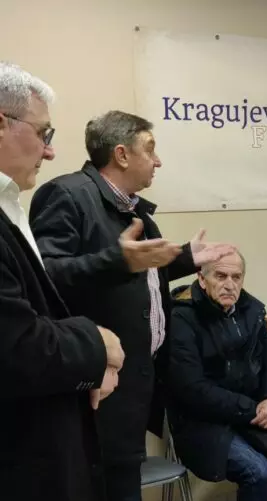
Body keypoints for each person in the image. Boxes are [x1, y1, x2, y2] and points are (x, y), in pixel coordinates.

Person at [29, 110, 235, 501]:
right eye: (150, 150)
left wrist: (185, 259)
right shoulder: (68, 195)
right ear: (122, 154)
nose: (158, 161)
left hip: (132, 386)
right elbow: (45, 275)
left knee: (123, 484)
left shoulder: (135, 210)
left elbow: (138, 276)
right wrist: (119, 260)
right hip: (93, 387)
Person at [0, 62, 125, 501]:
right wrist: (98, 343)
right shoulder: (64, 197)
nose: (50, 152)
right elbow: (16, 345)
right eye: (43, 133)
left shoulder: (10, 205)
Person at [166, 251, 267, 501]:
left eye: (236, 277)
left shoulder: (253, 310)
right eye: (221, 276)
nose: (229, 284)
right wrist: (255, 411)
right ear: (202, 279)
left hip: (254, 415)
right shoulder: (181, 317)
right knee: (258, 472)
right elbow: (193, 389)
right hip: (204, 424)